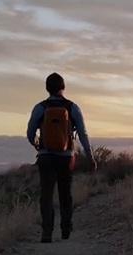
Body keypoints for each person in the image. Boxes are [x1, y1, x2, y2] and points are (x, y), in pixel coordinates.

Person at [26, 73, 97, 243]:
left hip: (45, 156)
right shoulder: (72, 108)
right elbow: (83, 134)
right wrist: (90, 157)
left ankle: (47, 232)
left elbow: (29, 133)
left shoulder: (40, 108)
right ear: (63, 87)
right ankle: (65, 228)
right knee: (65, 193)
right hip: (66, 158)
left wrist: (37, 143)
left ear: (47, 88)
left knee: (47, 194)